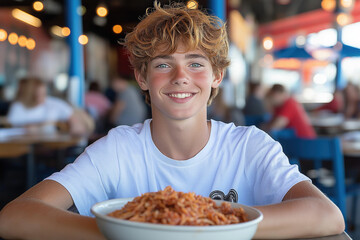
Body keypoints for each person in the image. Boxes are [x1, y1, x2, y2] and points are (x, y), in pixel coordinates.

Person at [0, 2, 344, 240]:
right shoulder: (119, 149)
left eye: (196, 63)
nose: (181, 77)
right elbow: (14, 216)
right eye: (164, 64)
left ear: (217, 76)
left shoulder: (249, 146)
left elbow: (327, 216)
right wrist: (127, 230)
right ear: (142, 77)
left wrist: (203, 225)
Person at [6, 77, 93, 136]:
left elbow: (74, 120)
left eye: (44, 93)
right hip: (24, 149)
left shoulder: (52, 103)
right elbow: (11, 127)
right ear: (30, 94)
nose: (43, 97)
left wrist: (73, 126)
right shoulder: (17, 107)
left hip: (50, 148)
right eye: (39, 94)